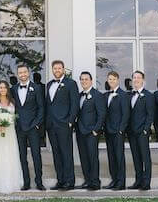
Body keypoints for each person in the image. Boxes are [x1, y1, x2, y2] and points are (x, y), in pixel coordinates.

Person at [45, 60, 79, 191]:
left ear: (63, 69)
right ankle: (60, 180)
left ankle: (70, 181)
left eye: (59, 68)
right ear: (52, 70)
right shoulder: (49, 85)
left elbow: (74, 104)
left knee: (66, 153)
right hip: (51, 125)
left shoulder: (71, 84)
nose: (57, 70)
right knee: (56, 154)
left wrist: (70, 121)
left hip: (64, 124)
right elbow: (49, 105)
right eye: (55, 68)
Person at [12, 64, 45, 190]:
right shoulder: (13, 89)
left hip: (33, 128)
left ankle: (39, 182)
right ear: (17, 74)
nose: (23, 74)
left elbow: (41, 108)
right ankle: (26, 182)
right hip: (19, 128)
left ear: (29, 72)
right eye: (20, 72)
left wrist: (37, 124)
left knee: (36, 155)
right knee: (22, 156)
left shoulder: (36, 88)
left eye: (25, 72)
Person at [0, 80, 24, 193]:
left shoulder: (12, 102)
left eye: (4, 87)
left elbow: (14, 117)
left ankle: (11, 181)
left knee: (9, 155)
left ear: (7, 89)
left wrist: (6, 124)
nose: (2, 89)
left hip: (10, 132)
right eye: (0, 88)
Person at [75, 71, 106, 191]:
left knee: (92, 157)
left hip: (92, 132)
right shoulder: (79, 95)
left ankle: (95, 182)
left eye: (86, 79)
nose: (84, 81)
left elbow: (102, 114)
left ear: (91, 81)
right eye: (82, 79)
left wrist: (96, 130)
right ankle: (87, 180)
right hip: (80, 132)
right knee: (84, 157)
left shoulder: (97, 95)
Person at [103, 71, 130, 190]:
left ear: (118, 80)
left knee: (119, 157)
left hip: (118, 131)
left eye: (113, 79)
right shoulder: (106, 95)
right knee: (111, 156)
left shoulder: (123, 95)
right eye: (109, 79)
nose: (111, 81)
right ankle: (114, 180)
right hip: (108, 131)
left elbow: (126, 114)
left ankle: (121, 182)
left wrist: (121, 130)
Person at [127, 70, 154, 191]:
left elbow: (150, 114)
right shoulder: (130, 95)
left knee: (145, 157)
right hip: (132, 132)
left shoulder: (148, 95)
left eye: (138, 78)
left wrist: (145, 129)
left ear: (143, 80)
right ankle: (138, 181)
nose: (136, 80)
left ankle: (146, 182)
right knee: (136, 157)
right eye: (134, 78)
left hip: (142, 131)